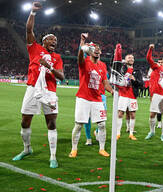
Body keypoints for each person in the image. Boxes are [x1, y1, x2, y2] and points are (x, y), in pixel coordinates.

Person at [13, 1, 64, 169]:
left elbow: (61, 77)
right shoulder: (34, 49)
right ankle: (27, 149)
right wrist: (33, 12)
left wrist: (49, 67)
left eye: (55, 40)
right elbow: (28, 30)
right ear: (43, 41)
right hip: (32, 88)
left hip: (50, 91)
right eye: (51, 39)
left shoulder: (57, 58)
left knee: (51, 123)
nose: (54, 41)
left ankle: (53, 156)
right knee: (25, 121)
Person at [69, 33, 113, 158]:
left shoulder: (103, 65)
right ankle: (74, 149)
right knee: (79, 124)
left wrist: (112, 91)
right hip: (83, 98)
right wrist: (82, 42)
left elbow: (105, 82)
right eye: (94, 49)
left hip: (97, 99)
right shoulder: (84, 61)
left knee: (102, 124)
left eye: (99, 49)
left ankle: (102, 148)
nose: (97, 51)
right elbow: (79, 57)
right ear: (89, 51)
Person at [145, 44, 163, 141]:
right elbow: (148, 58)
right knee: (152, 114)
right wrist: (150, 49)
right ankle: (151, 131)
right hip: (156, 94)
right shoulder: (157, 67)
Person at [116, 54, 143, 140]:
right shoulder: (121, 70)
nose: (131, 59)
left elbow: (141, 84)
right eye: (129, 58)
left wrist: (134, 79)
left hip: (132, 96)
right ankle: (118, 133)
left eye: (132, 58)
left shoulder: (137, 71)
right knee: (120, 113)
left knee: (133, 114)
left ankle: (131, 134)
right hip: (123, 95)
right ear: (125, 59)